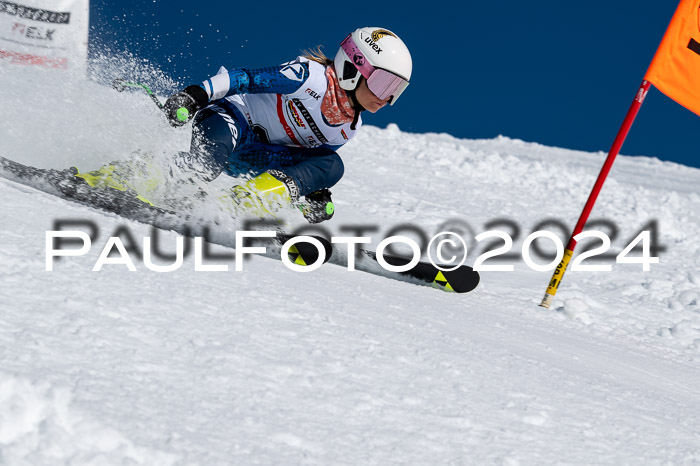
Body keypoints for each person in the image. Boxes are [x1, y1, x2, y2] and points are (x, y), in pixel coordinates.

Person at [80, 27, 412, 223]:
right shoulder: (308, 77)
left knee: (333, 165)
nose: (386, 98)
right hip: (232, 120)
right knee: (200, 169)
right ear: (354, 67)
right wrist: (196, 94)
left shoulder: (347, 128)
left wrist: (311, 192)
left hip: (259, 156)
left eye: (396, 91)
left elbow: (308, 161)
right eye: (383, 83)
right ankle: (113, 177)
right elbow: (246, 79)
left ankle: (236, 206)